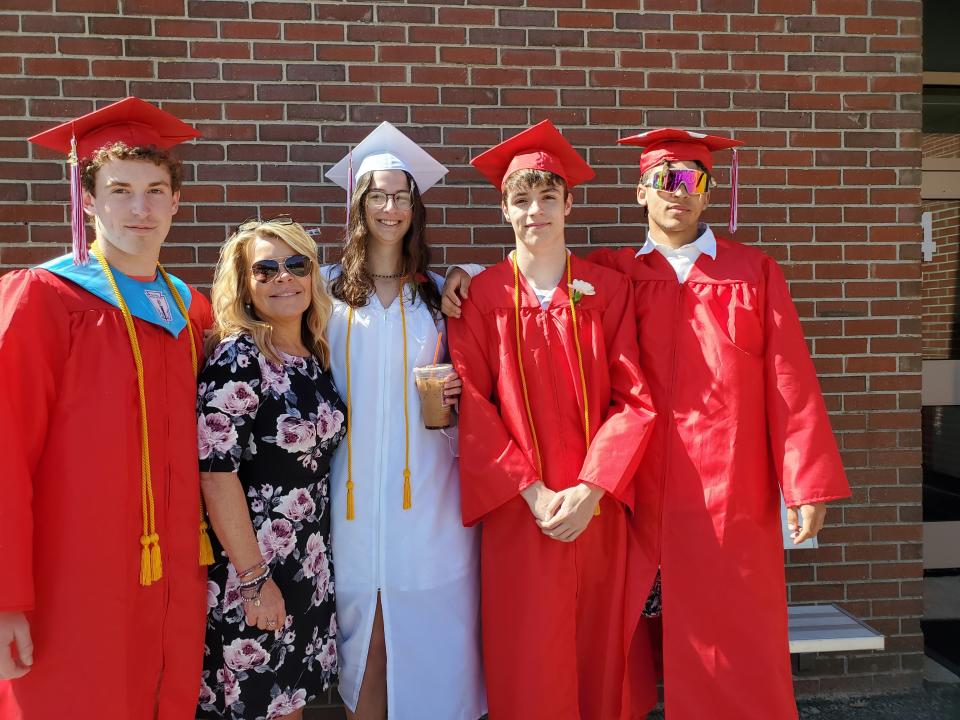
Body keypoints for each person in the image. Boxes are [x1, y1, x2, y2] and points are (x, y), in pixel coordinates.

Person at [444, 128, 851, 720]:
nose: (678, 193)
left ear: (710, 192)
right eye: (665, 179)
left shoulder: (753, 272)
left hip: (725, 485)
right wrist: (462, 273)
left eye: (692, 180)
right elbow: (535, 268)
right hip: (631, 486)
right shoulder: (613, 274)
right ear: (641, 191)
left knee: (728, 632)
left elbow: (791, 381)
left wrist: (805, 480)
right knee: (608, 635)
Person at [0, 97, 211, 719]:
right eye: (119, 190)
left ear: (177, 202)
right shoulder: (43, 298)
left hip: (173, 578)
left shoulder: (190, 309)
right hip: (71, 581)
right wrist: (6, 597)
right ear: (86, 200)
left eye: (154, 190)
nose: (139, 209)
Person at [447, 120, 657, 720]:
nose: (534, 211)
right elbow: (476, 409)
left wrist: (592, 491)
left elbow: (635, 399)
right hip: (521, 512)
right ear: (504, 208)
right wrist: (535, 494)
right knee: (528, 652)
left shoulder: (608, 293)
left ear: (569, 202)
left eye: (547, 197)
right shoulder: (481, 298)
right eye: (521, 199)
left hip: (598, 510)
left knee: (600, 653)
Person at [322, 121, 485, 720]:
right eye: (377, 195)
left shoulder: (442, 295)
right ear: (358, 204)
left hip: (432, 503)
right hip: (351, 498)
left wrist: (458, 390)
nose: (390, 209)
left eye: (401, 197)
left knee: (435, 641)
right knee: (363, 640)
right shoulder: (322, 294)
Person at [195, 218, 345, 720]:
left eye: (296, 264)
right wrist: (255, 581)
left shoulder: (314, 354)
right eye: (266, 269)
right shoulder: (238, 359)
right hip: (254, 566)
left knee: (289, 706)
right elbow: (216, 474)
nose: (284, 277)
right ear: (245, 284)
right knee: (260, 707)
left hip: (308, 564)